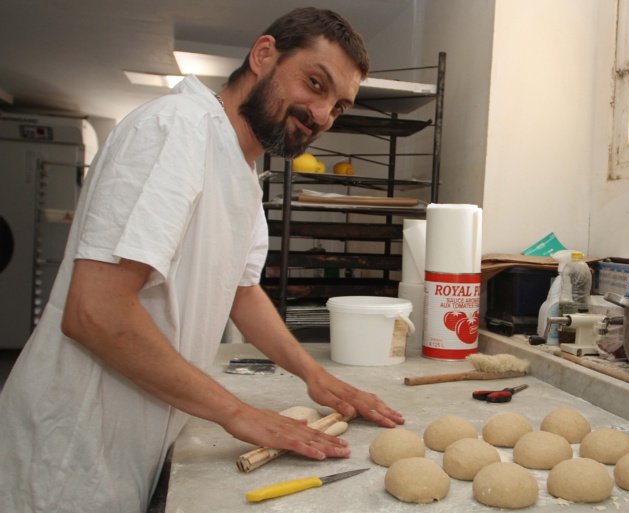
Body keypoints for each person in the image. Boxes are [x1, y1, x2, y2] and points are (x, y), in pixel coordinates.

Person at [0, 7, 404, 513]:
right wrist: (237, 413)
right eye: (315, 83)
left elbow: (240, 290)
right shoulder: (177, 130)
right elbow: (95, 310)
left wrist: (312, 374)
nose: (322, 115)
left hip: (137, 436)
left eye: (339, 107)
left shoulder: (241, 169)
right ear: (263, 55)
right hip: (69, 450)